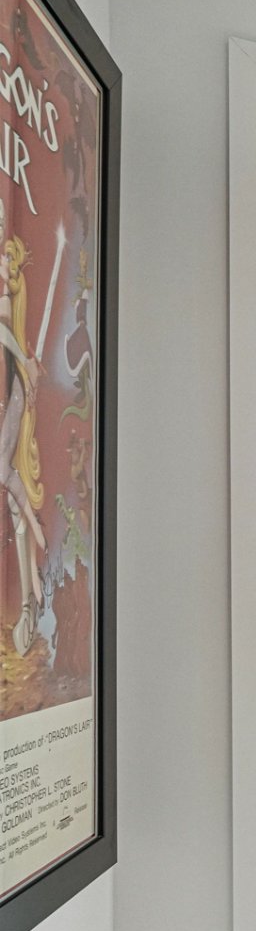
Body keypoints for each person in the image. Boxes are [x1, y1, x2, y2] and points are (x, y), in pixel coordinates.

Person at [0, 201, 48, 655]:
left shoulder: (9, 272)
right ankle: (29, 596)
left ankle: (29, 602)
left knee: (10, 479)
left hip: (11, 385)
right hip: (11, 379)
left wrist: (26, 366)